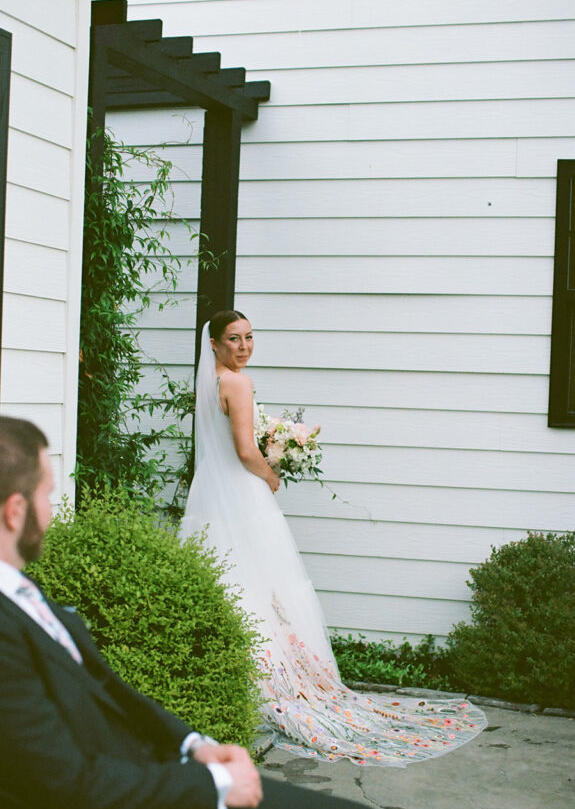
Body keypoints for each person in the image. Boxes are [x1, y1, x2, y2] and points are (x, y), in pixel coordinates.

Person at [0, 413, 507, 809]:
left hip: (154, 797)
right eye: (46, 494)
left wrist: (195, 743)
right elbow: (68, 788)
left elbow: (107, 691)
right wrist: (212, 784)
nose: (52, 504)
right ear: (14, 511)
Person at [180, 310, 488, 765]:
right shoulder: (239, 384)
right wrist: (271, 473)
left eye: (249, 338)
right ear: (214, 344)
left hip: (209, 488)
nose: (243, 347)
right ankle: (274, 681)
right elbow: (245, 450)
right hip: (241, 488)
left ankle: (230, 677)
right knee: (262, 581)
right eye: (233, 339)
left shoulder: (209, 382)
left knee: (229, 576)